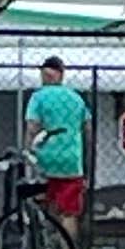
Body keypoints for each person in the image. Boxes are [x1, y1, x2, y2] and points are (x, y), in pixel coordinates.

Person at [23, 57, 88, 217]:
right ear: (61, 75)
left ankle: (48, 234)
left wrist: (27, 151)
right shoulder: (75, 98)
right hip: (71, 159)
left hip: (45, 158)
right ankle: (66, 240)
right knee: (69, 212)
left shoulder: (38, 97)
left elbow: (32, 127)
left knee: (47, 200)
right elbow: (87, 127)